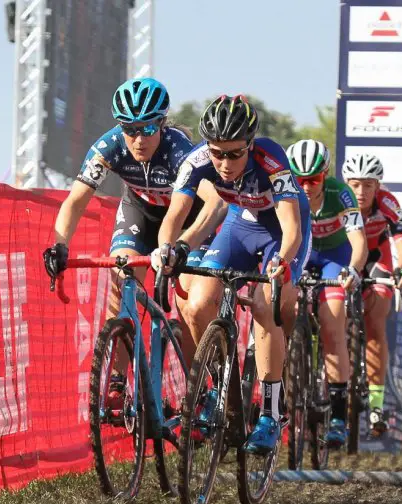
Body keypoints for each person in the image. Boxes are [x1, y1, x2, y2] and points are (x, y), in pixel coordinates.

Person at [42, 77, 220, 407]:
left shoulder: (180, 151)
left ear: (162, 125)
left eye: (148, 129)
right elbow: (76, 200)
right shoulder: (109, 146)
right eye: (129, 129)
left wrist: (184, 245)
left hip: (186, 218)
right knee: (122, 279)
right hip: (141, 212)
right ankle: (117, 380)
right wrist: (60, 244)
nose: (138, 139)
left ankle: (202, 389)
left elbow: (214, 203)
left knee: (188, 302)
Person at [158, 94, 312, 455]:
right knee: (196, 306)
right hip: (241, 222)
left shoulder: (271, 157)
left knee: (264, 304)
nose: (224, 163)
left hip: (282, 229)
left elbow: (292, 230)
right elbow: (173, 218)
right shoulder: (197, 160)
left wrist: (283, 263)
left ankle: (272, 414)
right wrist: (168, 249)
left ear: (250, 145)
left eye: (234, 154)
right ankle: (217, 388)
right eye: (218, 153)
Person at [286, 139, 367, 447]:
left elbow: (358, 241)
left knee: (333, 325)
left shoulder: (340, 194)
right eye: (299, 179)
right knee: (284, 313)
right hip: (301, 255)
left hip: (335, 259)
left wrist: (354, 269)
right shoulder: (286, 192)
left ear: (326, 174)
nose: (306, 186)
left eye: (314, 179)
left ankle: (337, 418)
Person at [341, 153, 402, 436]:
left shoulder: (388, 202)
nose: (361, 192)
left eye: (368, 185)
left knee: (376, 322)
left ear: (377, 185)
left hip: (377, 257)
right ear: (347, 183)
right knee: (335, 316)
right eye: (356, 184)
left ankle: (376, 404)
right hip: (345, 255)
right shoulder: (339, 200)